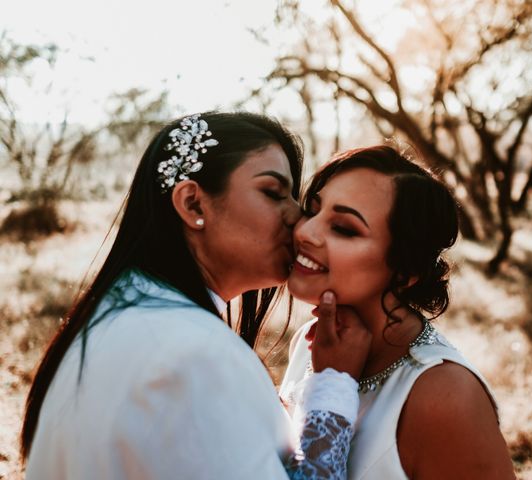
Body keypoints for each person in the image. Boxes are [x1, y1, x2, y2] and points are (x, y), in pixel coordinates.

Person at [21, 112, 372, 480]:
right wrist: (333, 383)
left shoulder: (111, 314)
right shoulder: (196, 355)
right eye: (272, 193)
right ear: (193, 204)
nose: (297, 218)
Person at [281, 146, 516, 479]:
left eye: (344, 228)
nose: (305, 232)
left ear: (405, 272)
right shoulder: (314, 342)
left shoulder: (444, 397)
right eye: (313, 210)